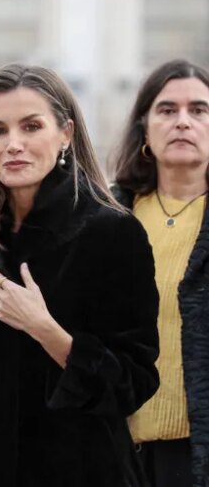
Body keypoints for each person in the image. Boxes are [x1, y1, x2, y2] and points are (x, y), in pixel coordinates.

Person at [0, 63, 161, 487]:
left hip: (82, 472)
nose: (13, 144)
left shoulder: (113, 233)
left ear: (66, 134)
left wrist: (47, 331)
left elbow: (134, 382)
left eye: (31, 127)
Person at [111, 59, 209, 487]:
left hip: (195, 454)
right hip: (116, 451)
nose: (183, 122)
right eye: (167, 110)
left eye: (199, 110)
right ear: (144, 131)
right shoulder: (109, 218)